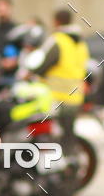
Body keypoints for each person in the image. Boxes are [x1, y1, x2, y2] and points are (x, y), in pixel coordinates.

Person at [23, 8, 89, 153]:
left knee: (50, 132)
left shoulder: (57, 40)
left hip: (55, 95)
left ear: (56, 21)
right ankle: (70, 162)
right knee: (68, 133)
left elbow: (42, 62)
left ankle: (51, 163)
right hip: (75, 95)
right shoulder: (81, 43)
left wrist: (29, 73)